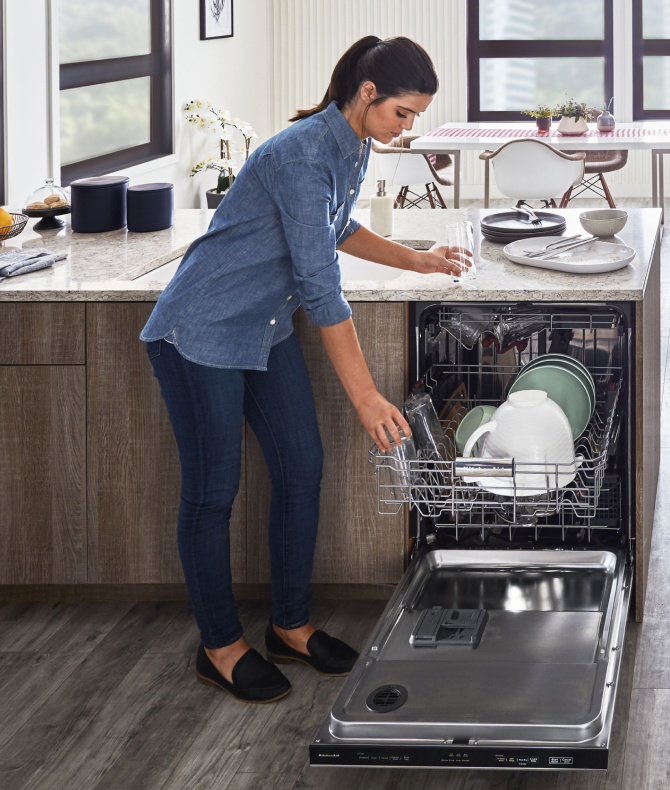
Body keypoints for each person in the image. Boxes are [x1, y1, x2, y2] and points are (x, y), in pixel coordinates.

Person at [141, 36, 462, 703]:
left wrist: (417, 258)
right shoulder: (299, 153)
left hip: (262, 329)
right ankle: (221, 647)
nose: (408, 128)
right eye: (403, 113)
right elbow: (321, 289)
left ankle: (289, 624)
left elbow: (336, 227)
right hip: (201, 330)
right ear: (368, 94)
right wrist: (368, 398)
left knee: (301, 467)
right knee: (212, 491)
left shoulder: (353, 144)